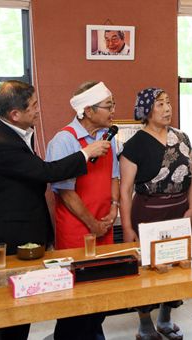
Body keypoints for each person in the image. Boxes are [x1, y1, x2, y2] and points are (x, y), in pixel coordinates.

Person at [0, 80, 110, 340]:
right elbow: (46, 173)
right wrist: (85, 153)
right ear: (15, 114)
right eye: (34, 106)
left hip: (28, 232)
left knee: (25, 309)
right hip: (11, 238)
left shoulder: (20, 130)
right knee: (12, 314)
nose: (39, 110)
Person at [120, 88, 192, 340]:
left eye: (168, 103)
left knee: (176, 266)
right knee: (149, 269)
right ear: (146, 110)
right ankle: (144, 324)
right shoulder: (134, 144)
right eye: (159, 104)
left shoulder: (182, 138)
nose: (167, 108)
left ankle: (165, 318)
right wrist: (128, 226)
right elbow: (126, 188)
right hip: (148, 212)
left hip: (179, 211)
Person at [46, 81, 120, 340]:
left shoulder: (108, 136)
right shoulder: (63, 141)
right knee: (75, 299)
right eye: (108, 106)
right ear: (88, 110)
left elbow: (114, 177)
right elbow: (65, 191)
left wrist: (114, 208)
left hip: (104, 226)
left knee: (100, 294)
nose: (113, 111)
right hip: (77, 230)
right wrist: (92, 224)